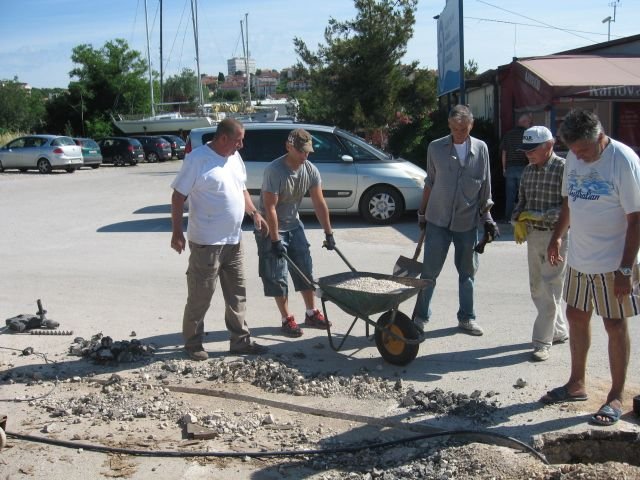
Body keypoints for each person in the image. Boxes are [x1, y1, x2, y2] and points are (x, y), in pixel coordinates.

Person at [542, 109, 640, 427]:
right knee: (575, 315)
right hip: (581, 258)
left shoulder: (623, 161)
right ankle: (576, 384)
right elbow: (569, 201)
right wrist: (557, 237)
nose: (579, 157)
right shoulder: (574, 157)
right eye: (573, 151)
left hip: (615, 262)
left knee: (614, 323)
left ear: (599, 137)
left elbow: (636, 218)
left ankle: (615, 395)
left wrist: (626, 269)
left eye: (584, 150)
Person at [170, 117, 269, 360]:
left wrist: (254, 212)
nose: (241, 145)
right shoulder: (197, 160)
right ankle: (193, 344)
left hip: (234, 240)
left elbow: (241, 188)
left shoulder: (234, 157)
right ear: (223, 138)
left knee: (237, 293)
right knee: (200, 295)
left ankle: (240, 342)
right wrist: (176, 232)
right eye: (238, 140)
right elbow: (177, 196)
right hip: (206, 242)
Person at [413, 105, 498, 336]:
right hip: (437, 220)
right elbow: (430, 181)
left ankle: (467, 318)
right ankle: (419, 318)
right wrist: (422, 213)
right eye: (454, 128)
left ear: (471, 125)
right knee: (429, 273)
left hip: (467, 222)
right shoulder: (436, 148)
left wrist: (487, 216)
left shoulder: (481, 149)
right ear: (449, 126)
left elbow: (485, 186)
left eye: (463, 128)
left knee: (467, 274)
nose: (459, 133)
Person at [255, 128, 334, 337]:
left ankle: (311, 312)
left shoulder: (310, 169)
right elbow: (270, 208)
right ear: (288, 147)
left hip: (294, 226)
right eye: (301, 151)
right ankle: (286, 318)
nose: (304, 156)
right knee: (278, 277)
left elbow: (319, 202)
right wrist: (274, 239)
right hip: (271, 228)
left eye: (307, 151)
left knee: (305, 270)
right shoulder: (275, 171)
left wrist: (329, 233)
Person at [511, 126, 568, 362]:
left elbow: (569, 206)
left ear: (549, 145)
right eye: (525, 151)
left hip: (556, 236)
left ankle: (542, 342)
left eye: (532, 150)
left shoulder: (563, 169)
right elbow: (521, 201)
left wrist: (538, 216)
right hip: (534, 236)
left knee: (549, 286)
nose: (528, 155)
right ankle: (559, 331)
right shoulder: (528, 171)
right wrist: (517, 218)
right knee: (537, 288)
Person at [501, 113, 532, 222]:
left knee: (510, 195)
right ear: (524, 123)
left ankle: (508, 217)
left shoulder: (508, 135)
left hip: (510, 168)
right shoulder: (527, 135)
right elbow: (529, 152)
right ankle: (521, 217)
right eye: (529, 122)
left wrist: (504, 168)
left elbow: (504, 152)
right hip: (523, 168)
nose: (530, 124)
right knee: (522, 196)